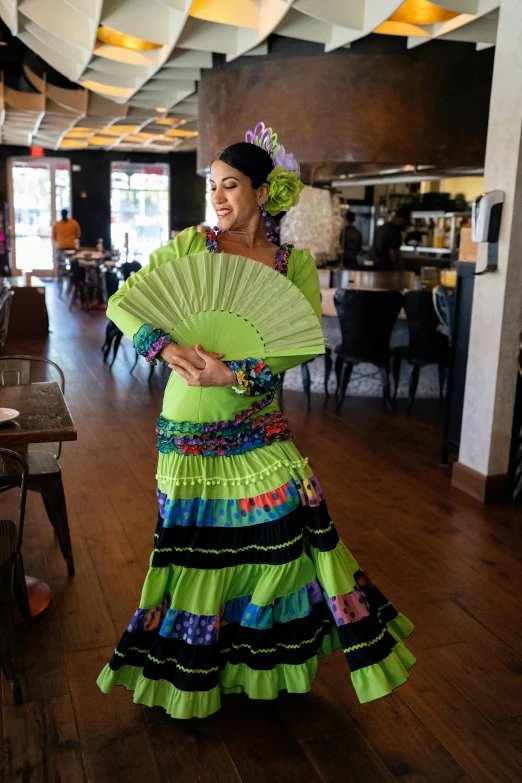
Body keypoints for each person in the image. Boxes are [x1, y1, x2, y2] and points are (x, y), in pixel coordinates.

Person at [97, 124, 415, 719]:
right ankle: (197, 676)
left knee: (284, 544)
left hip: (260, 427)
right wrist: (164, 349)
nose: (217, 197)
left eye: (231, 185)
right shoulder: (192, 246)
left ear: (263, 192)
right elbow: (123, 301)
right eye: (212, 186)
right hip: (189, 430)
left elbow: (299, 344)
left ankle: (260, 671)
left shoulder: (292, 264)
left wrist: (236, 374)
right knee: (196, 559)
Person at [371, 206, 411, 270]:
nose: (405, 226)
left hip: (376, 270)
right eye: (405, 223)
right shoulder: (394, 232)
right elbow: (394, 258)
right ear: (400, 219)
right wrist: (401, 273)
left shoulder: (380, 228)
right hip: (389, 273)